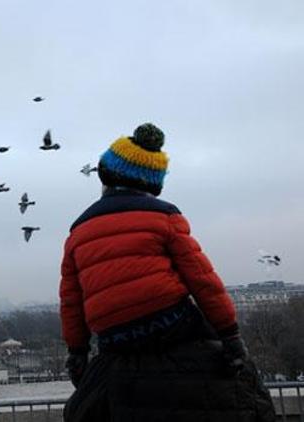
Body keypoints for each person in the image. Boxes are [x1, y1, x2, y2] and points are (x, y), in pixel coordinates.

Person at [59, 123, 274, 421]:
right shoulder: (165, 217)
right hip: (170, 323)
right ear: (152, 184)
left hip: (114, 338)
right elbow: (204, 281)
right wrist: (230, 335)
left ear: (104, 174)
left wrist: (77, 352)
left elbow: (71, 301)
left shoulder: (78, 232)